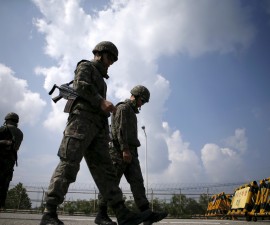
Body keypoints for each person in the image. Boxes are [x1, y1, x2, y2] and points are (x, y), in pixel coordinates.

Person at [40, 41, 153, 225]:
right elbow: (80, 85)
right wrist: (101, 101)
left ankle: (121, 212)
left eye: (113, 61)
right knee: (69, 165)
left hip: (98, 131)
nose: (110, 63)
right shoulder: (85, 66)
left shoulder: (102, 80)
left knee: (106, 173)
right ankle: (49, 212)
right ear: (99, 54)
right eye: (109, 58)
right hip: (80, 125)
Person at [95, 85, 168, 225]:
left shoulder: (131, 112)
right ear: (135, 96)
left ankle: (146, 214)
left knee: (137, 183)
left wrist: (129, 151)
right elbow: (120, 131)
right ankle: (101, 214)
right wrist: (125, 149)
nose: (142, 104)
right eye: (142, 101)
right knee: (111, 183)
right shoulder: (123, 108)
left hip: (130, 152)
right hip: (120, 152)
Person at [0, 112, 23, 210]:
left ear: (7, 120)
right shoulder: (20, 133)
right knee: (4, 184)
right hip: (11, 161)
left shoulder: (3, 129)